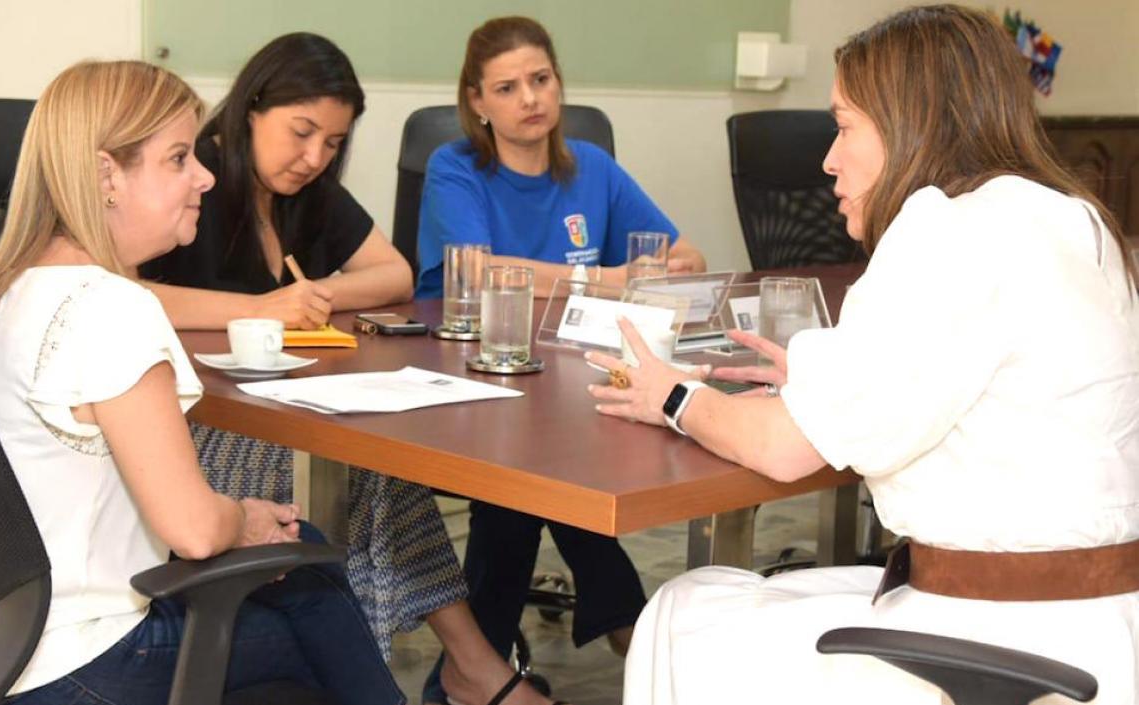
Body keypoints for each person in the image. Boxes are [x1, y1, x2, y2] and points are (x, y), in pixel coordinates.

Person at [587, 6, 1139, 704]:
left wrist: (671, 396)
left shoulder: (945, 228)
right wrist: (826, 374)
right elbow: (983, 380)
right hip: (1106, 633)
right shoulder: (1072, 218)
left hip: (999, 642)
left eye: (844, 126)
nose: (828, 158)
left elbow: (786, 449)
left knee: (681, 611)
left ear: (915, 120)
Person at [0, 60, 403, 704]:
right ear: (108, 175)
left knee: (302, 557)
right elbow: (192, 531)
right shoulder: (112, 306)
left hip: (0, 654)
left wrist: (241, 521)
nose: (206, 177)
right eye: (179, 158)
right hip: (89, 656)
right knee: (315, 608)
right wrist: (241, 517)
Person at [140, 33, 556, 705]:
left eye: (333, 143)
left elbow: (391, 273)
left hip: (283, 417)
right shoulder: (199, 179)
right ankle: (468, 667)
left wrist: (315, 296)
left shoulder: (305, 193)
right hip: (193, 436)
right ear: (252, 107)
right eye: (302, 133)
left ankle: (453, 668)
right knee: (369, 468)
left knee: (368, 456)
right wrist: (260, 306)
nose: (314, 158)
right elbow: (127, 291)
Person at [416, 16, 707, 703]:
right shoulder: (455, 167)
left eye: (541, 79)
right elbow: (482, 272)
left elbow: (683, 256)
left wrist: (632, 272)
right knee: (526, 469)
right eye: (508, 87)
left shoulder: (592, 167)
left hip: (567, 369)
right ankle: (622, 619)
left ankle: (476, 665)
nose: (530, 99)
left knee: (537, 471)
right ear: (477, 101)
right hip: (465, 372)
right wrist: (604, 278)